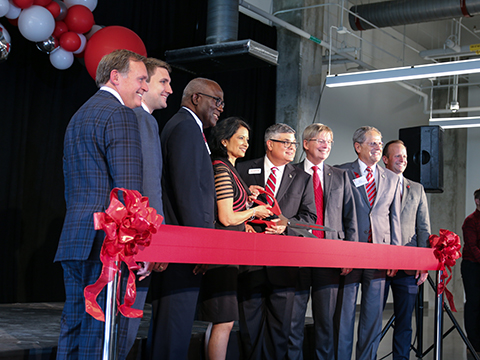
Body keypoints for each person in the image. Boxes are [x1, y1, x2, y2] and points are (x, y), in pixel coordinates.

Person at [54, 49, 148, 359]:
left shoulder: (79, 115)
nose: (145, 87)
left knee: (74, 328)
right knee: (101, 335)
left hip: (75, 238)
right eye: (141, 79)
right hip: (106, 246)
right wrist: (138, 249)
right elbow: (128, 193)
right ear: (115, 77)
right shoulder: (120, 114)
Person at [147, 77, 224, 360]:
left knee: (171, 327)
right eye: (217, 101)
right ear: (196, 99)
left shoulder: (187, 127)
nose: (220, 108)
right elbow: (190, 192)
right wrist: (202, 246)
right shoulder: (186, 128)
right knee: (174, 329)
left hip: (181, 245)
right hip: (183, 248)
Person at [236, 123, 317, 360]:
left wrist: (286, 225)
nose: (292, 147)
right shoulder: (242, 169)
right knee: (249, 330)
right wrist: (248, 215)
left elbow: (309, 217)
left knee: (280, 331)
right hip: (249, 263)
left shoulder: (302, 178)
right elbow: (231, 208)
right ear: (270, 144)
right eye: (287, 142)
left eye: (293, 143)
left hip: (284, 264)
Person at [198, 117, 272, 360]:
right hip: (221, 255)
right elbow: (227, 217)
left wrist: (248, 198)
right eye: (240, 138)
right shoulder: (220, 167)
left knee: (224, 321)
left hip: (230, 255)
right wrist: (254, 211)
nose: (246, 144)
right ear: (223, 140)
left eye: (248, 139)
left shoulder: (230, 168)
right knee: (223, 321)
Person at [117, 57, 173, 360]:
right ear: (144, 82)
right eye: (163, 82)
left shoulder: (133, 117)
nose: (169, 89)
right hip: (138, 241)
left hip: (125, 236)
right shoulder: (143, 119)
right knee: (125, 325)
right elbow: (149, 186)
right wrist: (155, 243)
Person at [288, 123, 358, 360]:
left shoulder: (340, 176)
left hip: (329, 257)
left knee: (325, 323)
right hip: (297, 255)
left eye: (329, 141)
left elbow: (350, 218)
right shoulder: (291, 172)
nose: (326, 145)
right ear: (306, 144)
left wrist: (349, 255)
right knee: (293, 321)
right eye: (320, 140)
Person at [336, 126, 402, 360]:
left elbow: (395, 219)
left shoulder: (392, 178)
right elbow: (336, 216)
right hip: (350, 255)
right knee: (344, 317)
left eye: (379, 142)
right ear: (358, 146)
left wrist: (395, 255)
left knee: (372, 318)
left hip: (380, 257)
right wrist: (340, 253)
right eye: (372, 143)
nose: (377, 147)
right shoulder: (341, 172)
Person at [381, 140, 431, 360]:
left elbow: (423, 228)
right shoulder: (376, 184)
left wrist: (424, 263)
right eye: (397, 156)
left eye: (405, 156)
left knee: (404, 322)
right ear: (385, 160)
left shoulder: (417, 188)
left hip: (409, 267)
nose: (403, 160)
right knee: (371, 321)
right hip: (379, 264)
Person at [462, 189, 480, 358]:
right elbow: (473, 247)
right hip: (472, 266)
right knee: (474, 303)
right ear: (477, 201)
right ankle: (473, 342)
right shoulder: (470, 221)